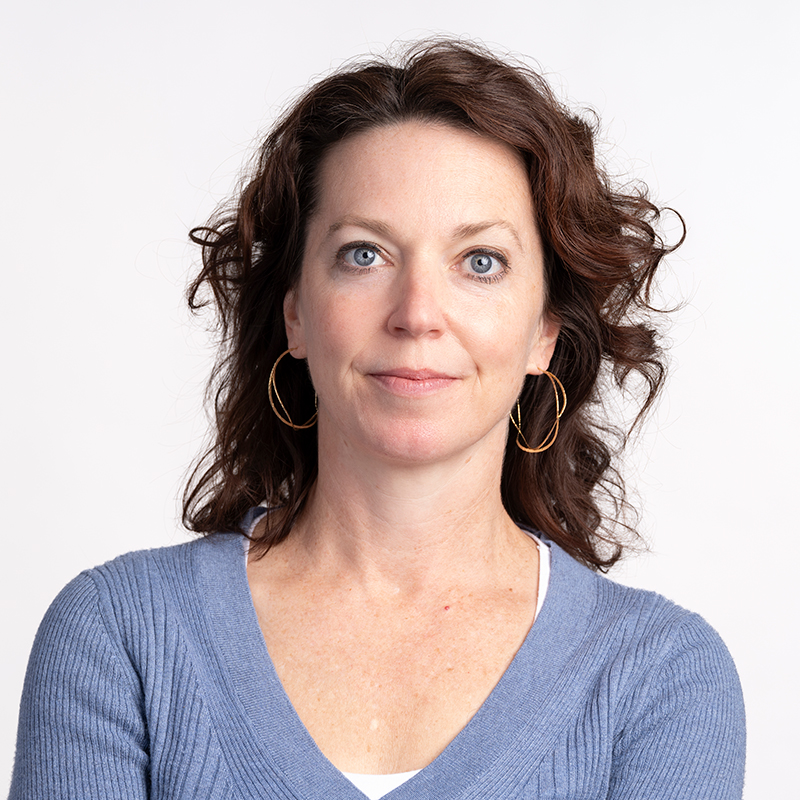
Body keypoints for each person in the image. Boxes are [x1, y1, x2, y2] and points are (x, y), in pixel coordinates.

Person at [8, 39, 745, 800]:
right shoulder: (119, 636)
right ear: (295, 314)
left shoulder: (658, 676)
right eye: (364, 255)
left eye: (481, 261)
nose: (418, 313)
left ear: (544, 332)